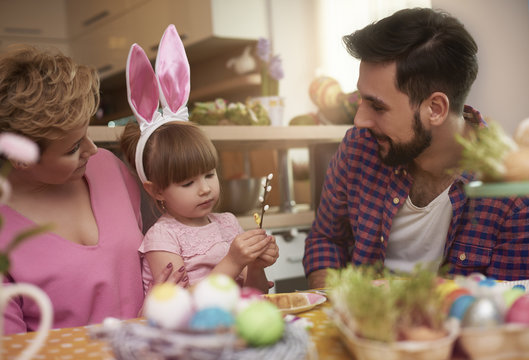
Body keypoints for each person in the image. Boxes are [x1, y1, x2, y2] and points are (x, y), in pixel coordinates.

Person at [303, 7, 529, 288]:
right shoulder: (358, 148)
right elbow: (327, 239)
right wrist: (331, 302)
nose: (359, 120)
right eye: (360, 99)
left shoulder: (513, 195)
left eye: (377, 106)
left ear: (435, 109)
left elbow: (507, 312)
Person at [0, 45, 184, 335]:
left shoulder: (109, 169)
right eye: (73, 147)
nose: (92, 149)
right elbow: (12, 352)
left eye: (86, 133)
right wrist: (138, 325)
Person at [120, 25, 278, 294]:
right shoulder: (163, 237)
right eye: (187, 183)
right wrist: (233, 261)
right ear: (157, 189)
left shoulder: (228, 223)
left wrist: (256, 265)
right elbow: (176, 305)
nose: (205, 188)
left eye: (209, 174)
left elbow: (255, 294)